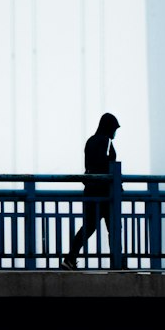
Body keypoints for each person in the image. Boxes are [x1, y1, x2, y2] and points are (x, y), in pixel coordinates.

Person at [61, 112, 123, 269]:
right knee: (114, 227)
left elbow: (90, 166)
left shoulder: (90, 141)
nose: (115, 132)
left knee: (89, 226)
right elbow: (108, 166)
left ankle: (70, 258)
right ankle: (117, 263)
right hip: (106, 193)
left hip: (90, 191)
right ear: (109, 128)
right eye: (114, 129)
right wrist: (118, 187)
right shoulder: (107, 142)